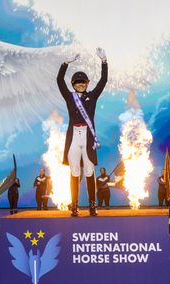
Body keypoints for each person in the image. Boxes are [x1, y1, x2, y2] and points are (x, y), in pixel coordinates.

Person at [57, 47, 108, 217]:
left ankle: (92, 206)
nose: (80, 84)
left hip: (87, 136)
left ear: (87, 84)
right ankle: (75, 206)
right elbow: (59, 80)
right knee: (74, 172)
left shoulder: (92, 96)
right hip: (73, 137)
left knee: (89, 171)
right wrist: (66, 63)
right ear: (73, 84)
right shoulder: (69, 97)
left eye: (83, 82)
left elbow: (103, 81)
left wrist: (104, 62)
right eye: (77, 82)